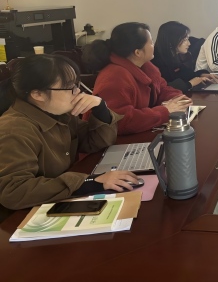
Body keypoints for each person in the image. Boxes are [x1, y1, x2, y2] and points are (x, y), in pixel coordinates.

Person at [0, 54, 139, 219]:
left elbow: (95, 143)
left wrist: (100, 108)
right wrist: (89, 182)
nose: (77, 92)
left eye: (76, 84)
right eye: (69, 87)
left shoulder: (59, 114)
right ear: (37, 94)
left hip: (57, 202)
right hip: (23, 217)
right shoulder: (14, 129)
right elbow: (14, 191)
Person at [83, 22, 191, 135]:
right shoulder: (114, 77)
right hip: (114, 141)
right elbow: (121, 122)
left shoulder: (146, 66)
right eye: (151, 42)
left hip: (140, 133)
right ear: (138, 52)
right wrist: (165, 111)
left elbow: (162, 88)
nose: (154, 46)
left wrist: (178, 100)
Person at [152, 21, 218, 92]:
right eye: (185, 40)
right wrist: (190, 84)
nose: (189, 43)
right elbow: (163, 89)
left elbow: (187, 73)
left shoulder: (173, 57)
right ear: (171, 41)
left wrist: (203, 75)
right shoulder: (156, 61)